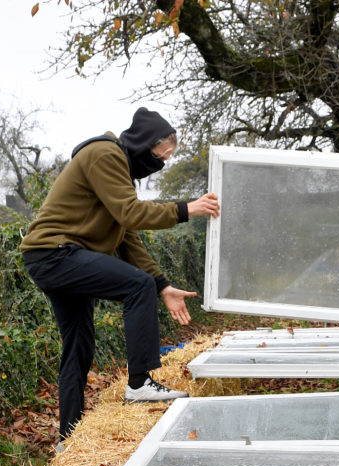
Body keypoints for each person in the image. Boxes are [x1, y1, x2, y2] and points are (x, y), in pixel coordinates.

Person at [21, 107, 220, 442]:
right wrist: (186, 208)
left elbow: (128, 235)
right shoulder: (105, 154)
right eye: (163, 155)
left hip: (54, 257)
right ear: (146, 143)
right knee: (135, 286)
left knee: (79, 347)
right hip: (55, 253)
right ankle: (140, 382)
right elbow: (132, 212)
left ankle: (67, 438)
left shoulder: (118, 174)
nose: (163, 163)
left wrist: (162, 285)